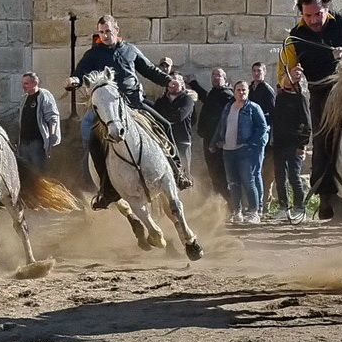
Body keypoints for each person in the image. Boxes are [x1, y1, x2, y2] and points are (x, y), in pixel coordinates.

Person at [66, 14, 193, 210]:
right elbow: (80, 73)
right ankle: (106, 189)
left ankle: (178, 172)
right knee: (93, 141)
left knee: (165, 125)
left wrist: (168, 81)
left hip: (134, 103)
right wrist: (74, 81)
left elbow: (150, 70)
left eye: (108, 31)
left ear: (116, 30)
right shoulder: (93, 54)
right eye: (101, 32)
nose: (105, 35)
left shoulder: (130, 50)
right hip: (110, 110)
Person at [277, 0, 342, 223]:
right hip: (321, 93)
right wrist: (291, 76)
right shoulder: (294, 38)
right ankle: (328, 197)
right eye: (308, 15)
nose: (313, 20)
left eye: (318, 14)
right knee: (322, 141)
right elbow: (283, 80)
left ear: (327, 8)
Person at [210, 80, 269, 224]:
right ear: (234, 92)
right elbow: (221, 125)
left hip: (244, 150)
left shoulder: (253, 108)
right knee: (233, 183)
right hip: (228, 151)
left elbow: (262, 128)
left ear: (247, 92)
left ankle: (254, 212)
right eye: (238, 90)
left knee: (248, 181)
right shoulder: (228, 107)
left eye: (244, 90)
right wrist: (214, 142)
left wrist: (251, 143)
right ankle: (237, 212)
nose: (241, 92)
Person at [271, 64, 312, 222]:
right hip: (279, 144)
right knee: (280, 177)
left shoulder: (300, 98)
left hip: (294, 145)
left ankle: (299, 208)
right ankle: (283, 207)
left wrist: (302, 145)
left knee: (294, 177)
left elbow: (306, 124)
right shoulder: (280, 97)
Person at [189, 68, 233, 204]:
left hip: (219, 142)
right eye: (213, 75)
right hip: (208, 140)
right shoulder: (215, 93)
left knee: (222, 174)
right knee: (214, 173)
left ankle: (230, 205)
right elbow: (206, 98)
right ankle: (219, 204)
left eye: (219, 75)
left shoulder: (227, 95)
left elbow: (228, 121)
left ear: (225, 79)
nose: (215, 77)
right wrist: (193, 83)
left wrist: (221, 140)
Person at [17, 72, 61, 171]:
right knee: (25, 171)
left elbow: (52, 117)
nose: (23, 86)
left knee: (38, 171)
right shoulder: (24, 99)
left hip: (37, 142)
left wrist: (51, 139)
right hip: (23, 143)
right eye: (23, 83)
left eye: (26, 83)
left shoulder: (43, 96)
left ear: (35, 83)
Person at [249, 61, 277, 212]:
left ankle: (265, 204)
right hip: (250, 135)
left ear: (264, 72)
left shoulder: (267, 90)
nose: (256, 73)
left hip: (265, 137)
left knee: (265, 173)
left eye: (259, 71)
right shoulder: (249, 89)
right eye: (254, 71)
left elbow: (274, 114)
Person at [154, 73, 195, 172]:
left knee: (183, 172)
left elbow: (179, 116)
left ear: (182, 84)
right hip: (164, 141)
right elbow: (154, 117)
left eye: (176, 81)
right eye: (171, 81)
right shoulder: (161, 101)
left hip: (181, 142)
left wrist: (162, 117)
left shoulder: (187, 100)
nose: (173, 84)